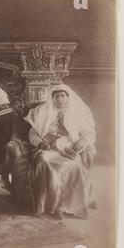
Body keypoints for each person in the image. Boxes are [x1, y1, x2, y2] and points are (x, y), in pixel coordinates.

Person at [24, 83, 96, 220]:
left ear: (67, 98)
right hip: (48, 148)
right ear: (52, 98)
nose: (60, 99)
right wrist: (40, 143)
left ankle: (65, 205)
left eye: (63, 96)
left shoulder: (75, 114)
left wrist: (82, 140)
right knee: (46, 162)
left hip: (67, 149)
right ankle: (54, 205)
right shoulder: (42, 113)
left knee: (74, 166)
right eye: (57, 96)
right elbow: (32, 134)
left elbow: (87, 134)